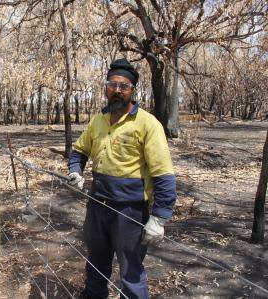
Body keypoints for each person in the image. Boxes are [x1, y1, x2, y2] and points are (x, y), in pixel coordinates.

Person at [67, 58, 176, 299]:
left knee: (131, 273)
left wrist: (159, 217)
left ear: (132, 91)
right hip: (97, 207)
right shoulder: (98, 120)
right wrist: (75, 170)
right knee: (96, 266)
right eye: (112, 84)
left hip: (130, 212)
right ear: (106, 88)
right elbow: (79, 151)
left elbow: (164, 174)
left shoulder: (148, 124)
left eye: (124, 86)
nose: (117, 90)